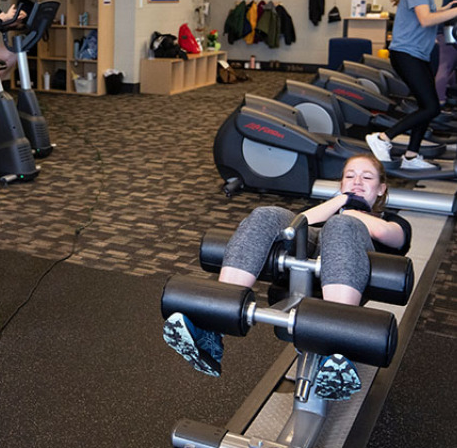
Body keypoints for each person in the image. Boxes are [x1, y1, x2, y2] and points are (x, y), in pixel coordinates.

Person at [162, 154, 410, 401]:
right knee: (266, 214)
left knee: (341, 226)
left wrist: (350, 210)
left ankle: (336, 349)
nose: (357, 181)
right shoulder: (329, 209)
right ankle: (212, 327)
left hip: (351, 263)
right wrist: (341, 202)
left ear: (381, 189)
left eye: (366, 177)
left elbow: (386, 233)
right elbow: (299, 224)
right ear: (341, 185)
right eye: (350, 176)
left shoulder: (393, 220)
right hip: (310, 248)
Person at [365, 0, 457, 169]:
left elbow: (425, 19)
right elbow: (425, 19)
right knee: (431, 107)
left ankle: (411, 156)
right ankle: (383, 138)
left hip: (417, 54)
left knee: (428, 105)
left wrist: (446, 9)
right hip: (407, 54)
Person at [434, 0, 457, 104]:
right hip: (449, 30)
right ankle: (439, 99)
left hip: (448, 29)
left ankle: (446, 91)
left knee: (449, 65)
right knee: (446, 66)